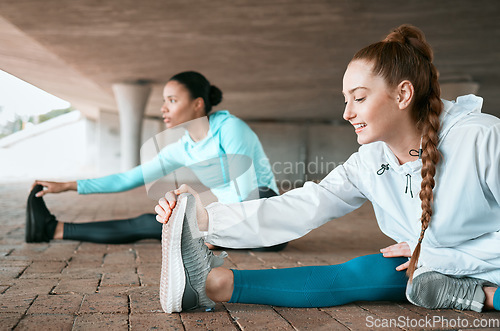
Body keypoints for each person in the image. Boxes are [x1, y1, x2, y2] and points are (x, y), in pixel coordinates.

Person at [155, 25, 500, 313]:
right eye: (345, 99)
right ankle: (210, 286)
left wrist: (438, 256)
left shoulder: (482, 138)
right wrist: (207, 220)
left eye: (359, 98)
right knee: (362, 271)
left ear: (403, 94)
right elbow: (305, 205)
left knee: (399, 270)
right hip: (428, 268)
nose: (347, 113)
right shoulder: (370, 162)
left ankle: (481, 295)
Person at [26, 71, 286, 251]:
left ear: (198, 104)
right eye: (164, 101)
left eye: (172, 100)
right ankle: (54, 230)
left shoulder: (230, 128)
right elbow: (127, 178)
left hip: (266, 219)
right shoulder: (183, 148)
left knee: (255, 194)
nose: (164, 108)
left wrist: (215, 231)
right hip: (228, 220)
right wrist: (68, 186)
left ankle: (217, 231)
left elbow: (247, 191)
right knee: (152, 221)